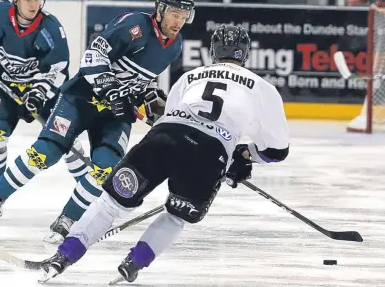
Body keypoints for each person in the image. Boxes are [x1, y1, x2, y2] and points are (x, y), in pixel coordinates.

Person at [36, 24, 290, 283]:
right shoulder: (262, 87)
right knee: (176, 216)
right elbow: (277, 150)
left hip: (163, 136)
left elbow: (169, 116)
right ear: (245, 54)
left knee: (111, 203)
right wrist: (244, 156)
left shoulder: (190, 77)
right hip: (209, 152)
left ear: (213, 52)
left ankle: (62, 257)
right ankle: (134, 263)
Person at [0, 0, 196, 244]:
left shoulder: (175, 45)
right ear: (161, 8)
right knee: (45, 152)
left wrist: (145, 98)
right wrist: (110, 89)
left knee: (105, 167)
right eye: (174, 14)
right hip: (82, 98)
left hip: (114, 113)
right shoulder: (134, 25)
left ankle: (68, 218)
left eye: (183, 16)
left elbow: (140, 81)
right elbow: (92, 56)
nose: (178, 21)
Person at [0, 0, 70, 221]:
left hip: (40, 87)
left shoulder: (51, 28)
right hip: (5, 86)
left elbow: (59, 69)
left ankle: (89, 193)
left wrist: (37, 93)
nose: (33, 4)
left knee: (68, 138)